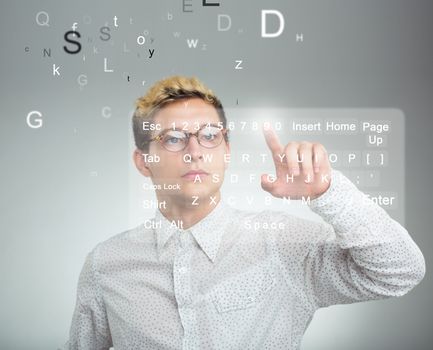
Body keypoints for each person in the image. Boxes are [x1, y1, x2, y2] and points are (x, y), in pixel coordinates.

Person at [62, 76, 425, 350]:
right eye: (173, 138)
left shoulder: (284, 243)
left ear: (227, 152)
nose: (194, 151)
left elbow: (399, 272)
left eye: (209, 135)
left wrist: (328, 194)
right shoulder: (106, 264)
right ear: (144, 161)